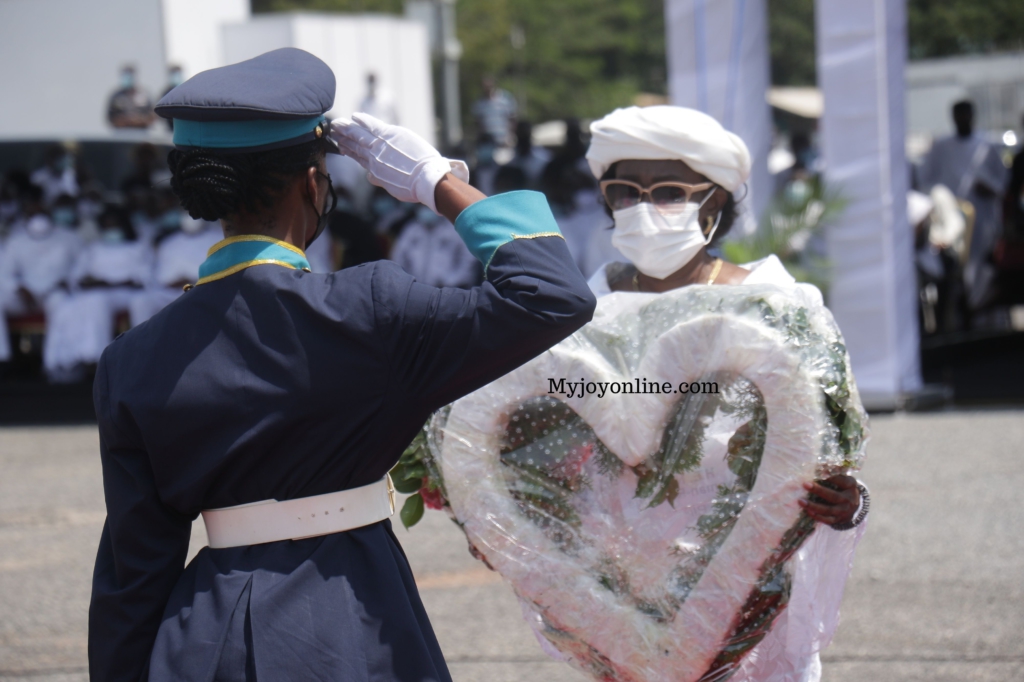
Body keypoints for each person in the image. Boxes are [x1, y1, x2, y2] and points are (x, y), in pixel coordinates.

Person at [88, 47, 595, 681]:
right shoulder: (372, 309)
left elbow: (133, 573)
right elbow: (552, 295)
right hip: (352, 618)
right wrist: (436, 181)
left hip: (206, 638)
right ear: (312, 182)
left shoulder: (131, 360)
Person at [584, 105, 869, 682]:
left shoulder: (776, 303)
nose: (643, 208)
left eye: (668, 191)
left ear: (713, 202)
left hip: (748, 593)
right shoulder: (587, 308)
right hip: (626, 596)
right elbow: (560, 428)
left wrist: (845, 500)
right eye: (625, 191)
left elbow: (824, 443)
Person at [43, 206, 152, 382]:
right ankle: (65, 360)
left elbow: (143, 279)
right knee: (65, 306)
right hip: (94, 292)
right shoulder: (93, 248)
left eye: (114, 225)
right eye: (107, 226)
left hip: (124, 294)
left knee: (96, 301)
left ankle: (94, 358)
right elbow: (77, 276)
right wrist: (85, 281)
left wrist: (108, 283)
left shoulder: (138, 247)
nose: (111, 229)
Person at [919, 100, 1007, 311]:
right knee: (952, 271)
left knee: (980, 271)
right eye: (959, 115)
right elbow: (925, 180)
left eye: (966, 115)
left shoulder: (986, 145)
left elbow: (1003, 182)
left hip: (981, 222)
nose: (962, 119)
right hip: (949, 223)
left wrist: (990, 190)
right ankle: (954, 317)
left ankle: (980, 312)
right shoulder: (941, 146)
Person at [0, 186, 81, 365]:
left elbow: (82, 266)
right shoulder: (16, 240)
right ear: (25, 216)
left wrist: (68, 281)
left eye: (41, 212)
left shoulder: (69, 237)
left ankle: (56, 363)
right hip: (24, 294)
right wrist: (18, 287)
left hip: (55, 292)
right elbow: (5, 273)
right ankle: (2, 358)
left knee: (63, 306)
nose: (38, 217)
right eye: (32, 213)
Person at [388, 206, 480, 288]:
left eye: (429, 208)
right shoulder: (411, 230)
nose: (426, 211)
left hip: (447, 290)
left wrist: (452, 281)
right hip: (416, 290)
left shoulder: (453, 230)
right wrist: (406, 281)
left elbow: (468, 259)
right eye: (423, 207)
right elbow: (398, 257)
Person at [472, 76, 517, 148]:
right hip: (488, 142)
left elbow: (512, 119)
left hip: (505, 140)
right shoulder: (479, 103)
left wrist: (510, 135)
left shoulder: (505, 99)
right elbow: (478, 123)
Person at [107, 64, 156, 129]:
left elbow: (152, 115)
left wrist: (139, 121)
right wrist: (124, 121)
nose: (127, 78)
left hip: (141, 134)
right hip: (121, 134)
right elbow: (110, 117)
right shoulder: (116, 96)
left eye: (129, 75)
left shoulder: (144, 95)